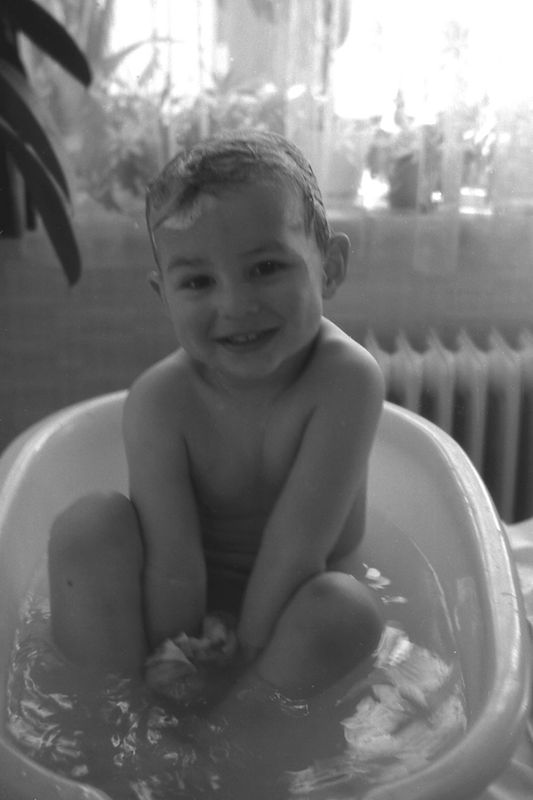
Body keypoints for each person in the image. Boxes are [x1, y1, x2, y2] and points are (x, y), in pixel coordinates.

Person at [48, 130, 385, 709]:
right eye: (198, 281)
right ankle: (118, 707)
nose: (235, 305)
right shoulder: (161, 400)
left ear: (329, 268)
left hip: (294, 601)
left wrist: (242, 657)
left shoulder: (346, 380)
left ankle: (246, 719)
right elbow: (172, 562)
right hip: (178, 597)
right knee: (88, 526)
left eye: (266, 267)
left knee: (347, 610)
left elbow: (298, 549)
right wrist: (177, 654)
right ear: (164, 294)